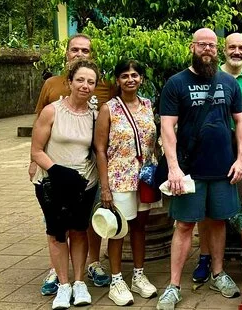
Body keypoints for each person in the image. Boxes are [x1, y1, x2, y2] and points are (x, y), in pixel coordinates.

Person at [156, 28, 242, 310]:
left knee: (219, 221)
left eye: (211, 45)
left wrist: (240, 159)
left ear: (217, 49)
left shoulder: (228, 83)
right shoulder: (176, 83)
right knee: (184, 225)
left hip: (223, 168)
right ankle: (173, 285)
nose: (207, 49)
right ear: (192, 47)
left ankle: (218, 273)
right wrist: (173, 168)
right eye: (202, 44)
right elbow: (167, 127)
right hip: (189, 170)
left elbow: (241, 122)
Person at [30, 33, 114, 296]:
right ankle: (59, 274)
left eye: (85, 50)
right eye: (74, 49)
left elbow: (102, 141)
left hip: (85, 178)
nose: (85, 85)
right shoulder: (52, 90)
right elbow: (37, 138)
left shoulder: (103, 93)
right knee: (56, 228)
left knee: (82, 227)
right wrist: (38, 164)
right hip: (53, 174)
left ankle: (87, 269)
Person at [192, 33, 242, 284]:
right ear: (223, 50)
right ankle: (205, 256)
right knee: (207, 209)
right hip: (213, 152)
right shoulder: (209, 76)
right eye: (232, 47)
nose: (237, 52)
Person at [94, 60, 161, 306]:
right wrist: (105, 187)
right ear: (118, 80)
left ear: (141, 78)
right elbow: (100, 149)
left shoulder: (147, 105)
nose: (130, 79)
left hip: (144, 177)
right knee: (118, 230)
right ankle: (116, 280)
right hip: (119, 178)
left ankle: (138, 276)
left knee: (140, 227)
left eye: (134, 75)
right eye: (125, 75)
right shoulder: (108, 109)